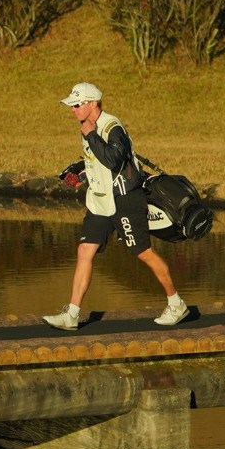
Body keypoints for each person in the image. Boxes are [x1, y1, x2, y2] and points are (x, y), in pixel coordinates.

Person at [43, 82, 189, 330]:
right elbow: (97, 160)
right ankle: (73, 314)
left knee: (144, 253)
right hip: (99, 202)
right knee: (84, 251)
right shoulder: (86, 126)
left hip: (124, 202)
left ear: (93, 104)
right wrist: (80, 173)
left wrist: (90, 134)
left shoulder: (112, 126)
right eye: (72, 105)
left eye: (77, 105)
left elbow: (114, 158)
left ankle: (177, 304)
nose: (73, 109)